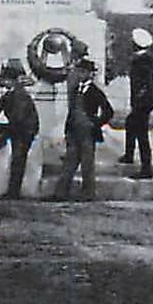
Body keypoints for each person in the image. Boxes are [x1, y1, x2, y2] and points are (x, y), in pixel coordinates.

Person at [53, 53, 113, 201]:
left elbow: (108, 111)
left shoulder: (95, 91)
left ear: (90, 74)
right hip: (73, 130)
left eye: (83, 72)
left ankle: (88, 193)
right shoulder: (75, 89)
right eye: (79, 71)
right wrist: (67, 129)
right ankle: (61, 193)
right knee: (70, 162)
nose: (80, 74)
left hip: (87, 131)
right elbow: (71, 110)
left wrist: (96, 124)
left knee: (87, 163)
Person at [0, 59, 40, 199]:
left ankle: (13, 192)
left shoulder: (20, 94)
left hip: (25, 130)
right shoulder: (10, 93)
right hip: (18, 127)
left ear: (10, 80)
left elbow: (18, 120)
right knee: (15, 156)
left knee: (18, 159)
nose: (1, 82)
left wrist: (2, 135)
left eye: (3, 79)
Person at [118, 28, 153, 178]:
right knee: (130, 123)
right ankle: (129, 155)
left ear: (136, 44)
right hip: (144, 100)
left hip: (143, 101)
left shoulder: (143, 61)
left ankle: (146, 168)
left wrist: (142, 94)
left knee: (141, 133)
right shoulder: (146, 59)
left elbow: (147, 81)